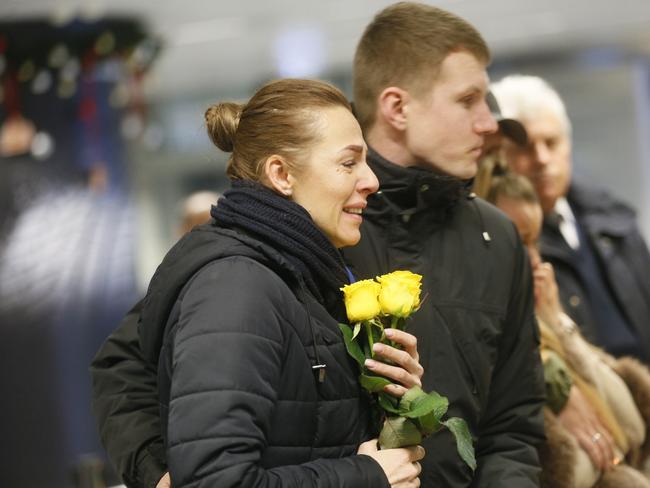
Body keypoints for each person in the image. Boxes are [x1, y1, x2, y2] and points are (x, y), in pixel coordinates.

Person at [92, 3, 545, 487]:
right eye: (468, 100)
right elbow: (132, 372)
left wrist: (405, 397)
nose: (488, 122)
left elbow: (512, 423)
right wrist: (162, 475)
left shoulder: (488, 238)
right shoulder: (267, 262)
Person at [92, 78, 426, 488]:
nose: (372, 180)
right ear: (282, 174)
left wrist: (390, 394)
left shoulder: (300, 267)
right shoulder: (236, 285)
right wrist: (365, 477)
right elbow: (214, 480)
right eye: (348, 163)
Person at [475, 157, 650, 487]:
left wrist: (559, 323)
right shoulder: (496, 343)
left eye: (535, 242)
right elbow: (576, 469)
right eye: (517, 243)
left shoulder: (546, 317)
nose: (536, 261)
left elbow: (632, 426)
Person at [491, 74, 650, 363]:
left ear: (568, 145)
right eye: (525, 147)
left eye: (551, 143)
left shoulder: (615, 219)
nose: (541, 158)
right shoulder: (503, 244)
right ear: (499, 157)